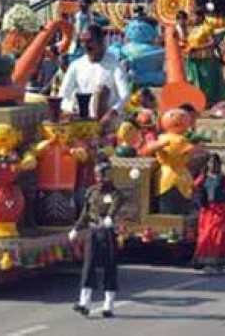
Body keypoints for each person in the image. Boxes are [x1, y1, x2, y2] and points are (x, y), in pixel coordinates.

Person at [69, 156, 123, 318]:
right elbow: (85, 213)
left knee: (109, 266)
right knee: (88, 266)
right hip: (93, 231)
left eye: (103, 175)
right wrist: (77, 228)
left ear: (109, 176)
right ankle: (84, 303)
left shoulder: (115, 193)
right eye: (98, 176)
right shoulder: (91, 192)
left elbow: (114, 207)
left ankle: (109, 305)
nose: (100, 179)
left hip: (107, 232)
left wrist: (109, 218)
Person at [59, 25, 130, 129]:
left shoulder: (115, 65)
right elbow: (63, 94)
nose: (85, 45)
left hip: (108, 123)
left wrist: (112, 112)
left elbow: (125, 95)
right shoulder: (76, 65)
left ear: (101, 42)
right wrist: (70, 110)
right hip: (82, 121)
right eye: (83, 41)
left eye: (89, 41)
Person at [193, 153, 225, 272]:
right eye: (210, 163)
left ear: (219, 165)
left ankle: (217, 261)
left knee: (218, 235)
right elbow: (193, 188)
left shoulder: (223, 179)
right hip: (207, 211)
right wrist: (199, 200)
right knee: (205, 235)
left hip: (220, 211)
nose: (212, 165)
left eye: (215, 163)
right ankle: (202, 260)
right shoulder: (203, 177)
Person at [184, 11, 223, 106]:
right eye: (193, 16)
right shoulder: (192, 29)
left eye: (196, 16)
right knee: (195, 80)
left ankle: (208, 101)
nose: (193, 18)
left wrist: (198, 48)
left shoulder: (207, 28)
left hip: (206, 58)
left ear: (201, 17)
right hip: (193, 58)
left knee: (206, 81)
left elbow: (213, 42)